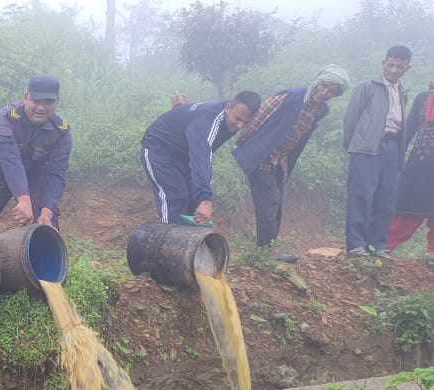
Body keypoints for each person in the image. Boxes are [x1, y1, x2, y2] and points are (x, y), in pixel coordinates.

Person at [232, 66, 350, 259]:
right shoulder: (289, 97)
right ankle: (266, 251)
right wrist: (246, 145)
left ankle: (267, 247)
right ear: (317, 82)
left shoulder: (321, 110)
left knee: (276, 201)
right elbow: (260, 117)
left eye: (332, 92)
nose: (325, 93)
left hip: (280, 160)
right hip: (262, 154)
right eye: (324, 87)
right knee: (270, 199)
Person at [0, 75, 72, 234]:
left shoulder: (61, 132)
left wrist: (47, 210)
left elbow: (56, 173)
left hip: (35, 184)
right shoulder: (4, 119)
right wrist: (23, 198)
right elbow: (10, 161)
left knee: (47, 230)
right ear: (26, 97)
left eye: (48, 102)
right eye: (36, 101)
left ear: (57, 101)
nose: (41, 108)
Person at [140, 91, 262, 225]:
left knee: (193, 201)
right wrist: (205, 199)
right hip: (159, 148)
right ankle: (169, 242)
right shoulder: (211, 120)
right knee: (175, 197)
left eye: (245, 122)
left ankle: (190, 243)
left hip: (183, 154)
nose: (240, 126)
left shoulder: (227, 117)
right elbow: (201, 155)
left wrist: (201, 199)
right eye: (237, 119)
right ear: (228, 108)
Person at [343, 45, 413, 258]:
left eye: (399, 67)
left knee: (386, 197)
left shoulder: (402, 91)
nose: (394, 70)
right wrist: (353, 147)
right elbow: (350, 120)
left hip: (392, 148)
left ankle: (377, 245)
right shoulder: (367, 88)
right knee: (361, 195)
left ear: (407, 68)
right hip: (366, 149)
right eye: (390, 65)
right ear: (384, 63)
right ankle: (356, 244)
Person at [386, 82, 434, 257]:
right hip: (420, 167)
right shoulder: (424, 98)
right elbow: (409, 131)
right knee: (405, 216)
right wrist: (397, 160)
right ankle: (380, 252)